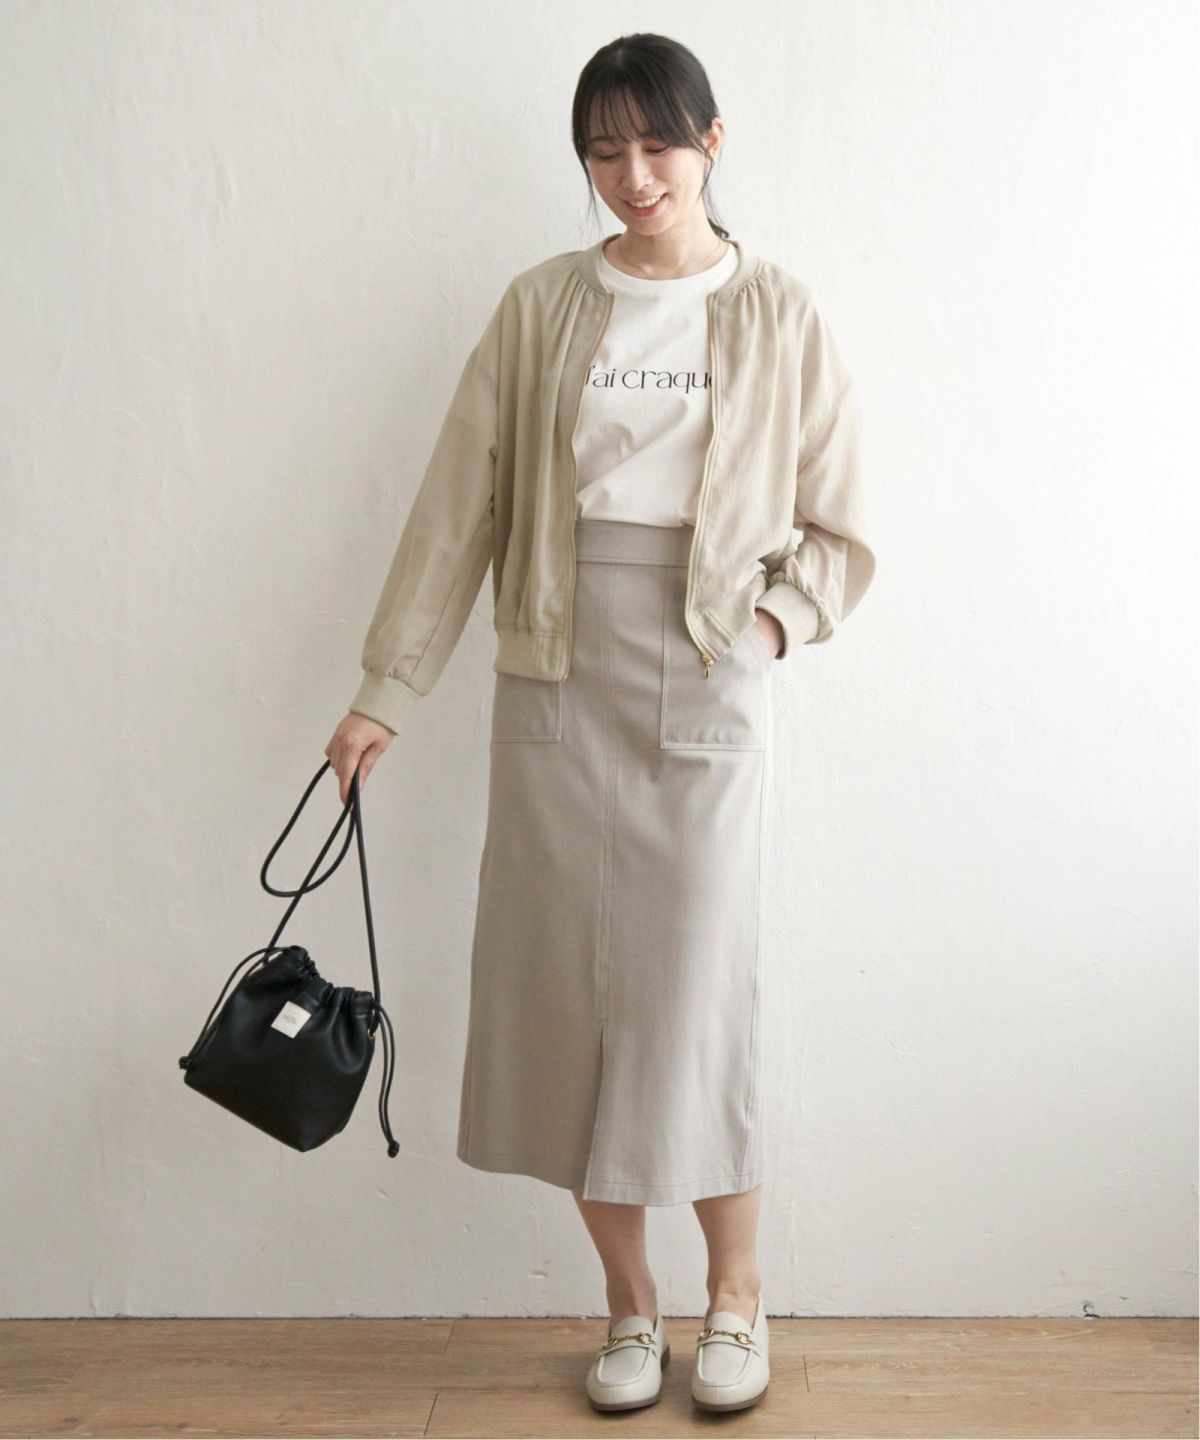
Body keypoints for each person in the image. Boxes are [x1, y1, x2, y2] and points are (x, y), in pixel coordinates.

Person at [324, 32, 875, 1416]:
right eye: (605, 151)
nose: (634, 176)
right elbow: (459, 508)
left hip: (707, 673)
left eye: (659, 145)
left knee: (698, 1001)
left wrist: (761, 633)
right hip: (554, 670)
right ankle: (631, 1309)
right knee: (565, 1003)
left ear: (712, 141)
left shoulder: (780, 313)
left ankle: (735, 1300)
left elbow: (840, 528)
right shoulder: (539, 309)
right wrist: (388, 689)